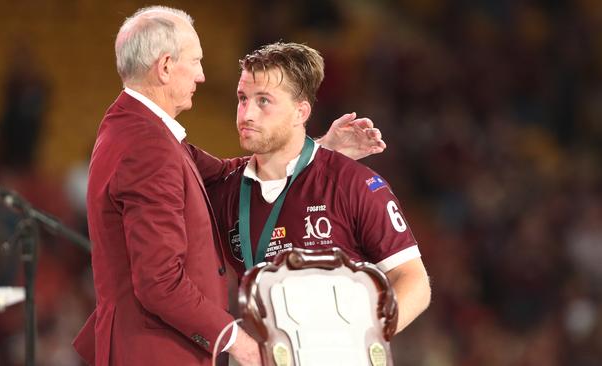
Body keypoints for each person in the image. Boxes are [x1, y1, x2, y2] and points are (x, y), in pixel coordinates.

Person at [72, 6, 386, 366]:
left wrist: (319, 151)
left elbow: (228, 176)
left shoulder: (134, 129)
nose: (202, 76)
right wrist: (237, 340)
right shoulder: (148, 146)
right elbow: (159, 282)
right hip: (157, 352)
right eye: (195, 61)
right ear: (165, 67)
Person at [209, 42, 431, 335]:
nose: (247, 114)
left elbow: (414, 281)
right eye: (242, 98)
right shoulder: (226, 189)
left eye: (263, 101)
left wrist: (364, 341)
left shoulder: (351, 184)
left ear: (300, 112)